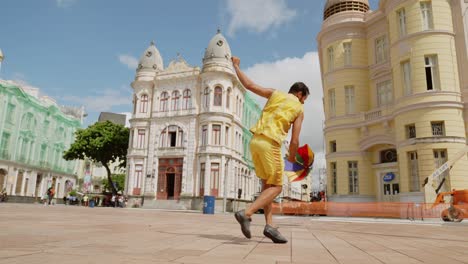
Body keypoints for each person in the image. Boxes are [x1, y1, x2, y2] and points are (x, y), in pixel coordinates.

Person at [232, 56, 309, 244]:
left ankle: (269, 227)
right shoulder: (298, 108)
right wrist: (291, 160)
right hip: (271, 144)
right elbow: (295, 139)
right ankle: (246, 213)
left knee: (267, 186)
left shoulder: (275, 93)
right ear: (300, 94)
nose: (303, 103)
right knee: (277, 187)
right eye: (304, 99)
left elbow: (249, 85)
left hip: (255, 141)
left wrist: (236, 66)